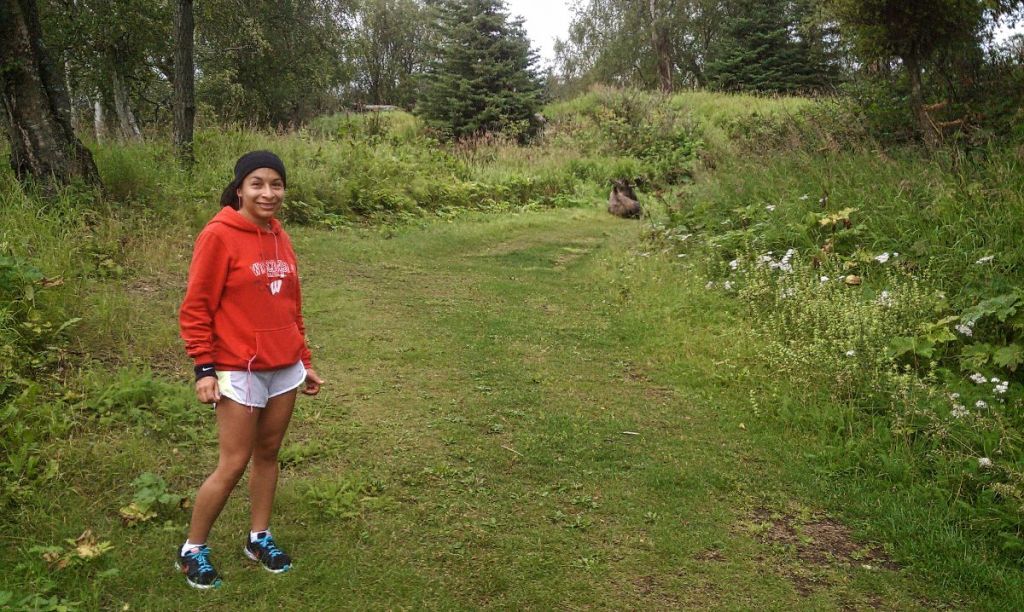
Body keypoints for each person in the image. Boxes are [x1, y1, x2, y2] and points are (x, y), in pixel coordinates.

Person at [176, 150, 324, 589]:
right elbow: (196, 307)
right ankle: (192, 550)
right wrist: (204, 369)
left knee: (268, 454)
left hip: (284, 367)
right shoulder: (219, 235)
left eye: (276, 184)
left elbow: (290, 305)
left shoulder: (280, 235)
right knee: (234, 462)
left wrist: (305, 360)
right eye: (257, 183)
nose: (268, 192)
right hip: (237, 367)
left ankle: (258, 537)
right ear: (239, 188)